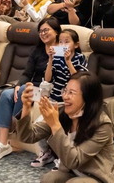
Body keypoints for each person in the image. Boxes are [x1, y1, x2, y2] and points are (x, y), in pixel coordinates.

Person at [16, 71, 114, 182]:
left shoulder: (102, 124)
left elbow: (74, 160)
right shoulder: (62, 114)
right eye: (65, 91)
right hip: (74, 173)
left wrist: (54, 125)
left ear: (88, 97)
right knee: (50, 178)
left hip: (101, 177)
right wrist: (26, 107)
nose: (65, 96)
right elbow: (27, 136)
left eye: (71, 93)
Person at [0, 18, 61, 162]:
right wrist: (18, 85)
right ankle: (3, 144)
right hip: (33, 87)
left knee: (25, 89)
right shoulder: (37, 50)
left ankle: (9, 126)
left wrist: (24, 87)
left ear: (56, 32)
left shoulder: (62, 50)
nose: (43, 33)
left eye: (46, 30)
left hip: (49, 91)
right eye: (40, 31)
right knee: (6, 94)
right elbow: (27, 73)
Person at [33, 28, 89, 167]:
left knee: (65, 128)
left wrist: (68, 61)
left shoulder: (80, 58)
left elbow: (79, 81)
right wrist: (51, 59)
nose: (63, 45)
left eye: (67, 42)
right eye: (61, 42)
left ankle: (63, 159)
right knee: (39, 125)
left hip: (69, 102)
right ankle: (47, 153)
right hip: (54, 100)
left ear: (76, 44)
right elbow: (48, 79)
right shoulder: (56, 58)